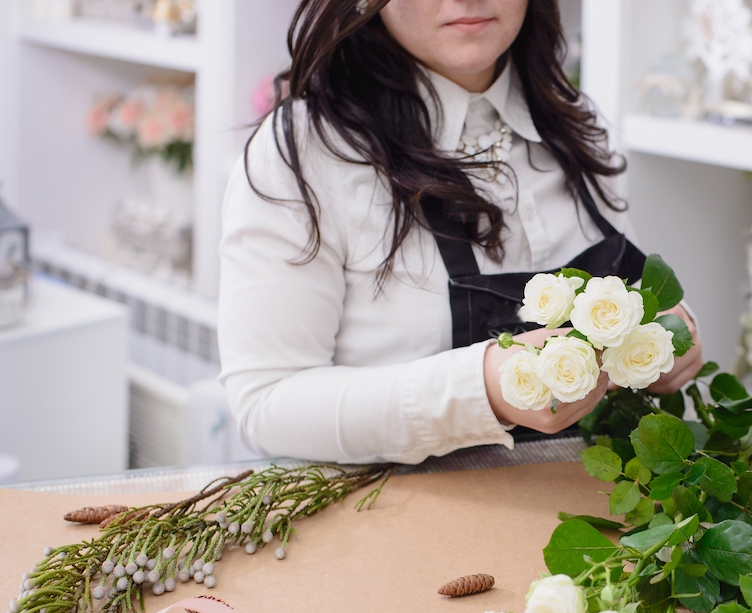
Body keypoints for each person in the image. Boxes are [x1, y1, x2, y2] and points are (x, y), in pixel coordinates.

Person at [219, 0, 703, 464]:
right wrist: (480, 390)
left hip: (591, 530)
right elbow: (266, 405)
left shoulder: (577, 123)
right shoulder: (307, 150)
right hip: (392, 530)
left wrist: (661, 336)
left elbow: (633, 293)